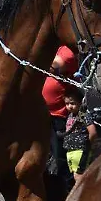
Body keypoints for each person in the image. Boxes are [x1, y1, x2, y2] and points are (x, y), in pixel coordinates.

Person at [42, 44, 79, 179]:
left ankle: (63, 187)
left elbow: (54, 64)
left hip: (59, 116)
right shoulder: (57, 48)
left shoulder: (67, 51)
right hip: (45, 113)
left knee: (60, 156)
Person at [61, 88, 101, 185]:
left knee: (79, 178)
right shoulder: (70, 116)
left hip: (81, 151)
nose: (69, 106)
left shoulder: (84, 115)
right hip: (71, 152)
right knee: (76, 177)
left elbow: (93, 132)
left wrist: (88, 147)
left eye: (72, 103)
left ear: (80, 103)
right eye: (67, 104)